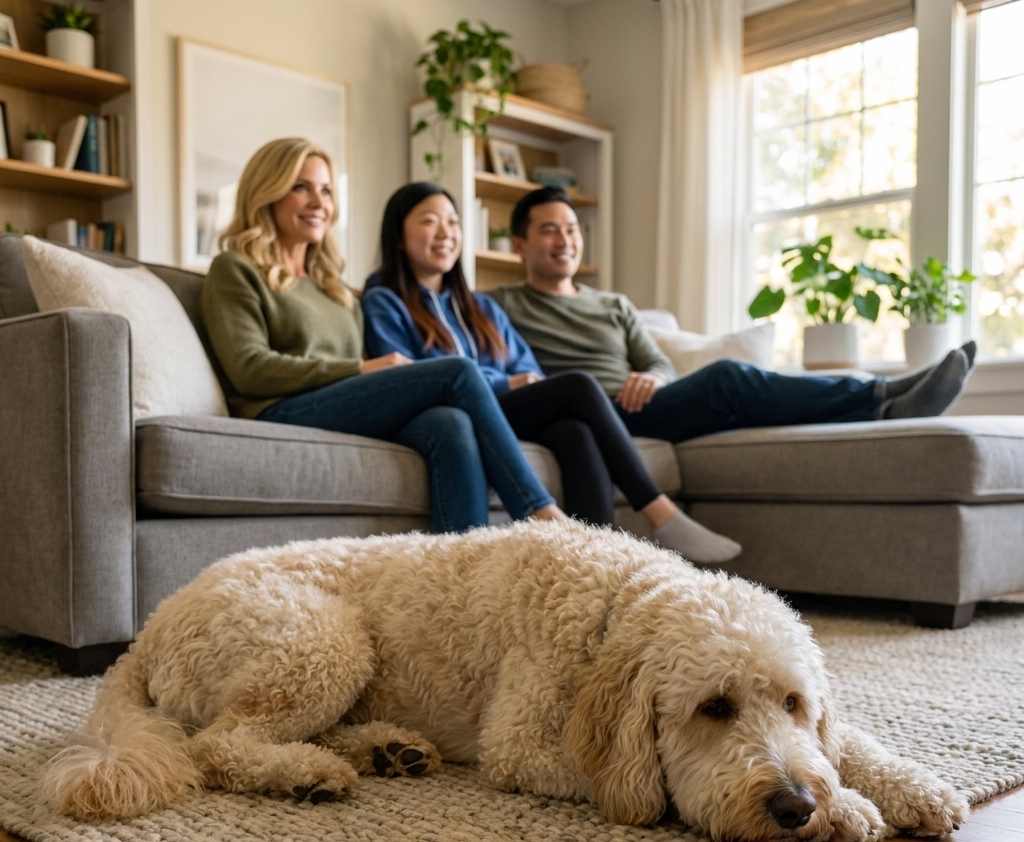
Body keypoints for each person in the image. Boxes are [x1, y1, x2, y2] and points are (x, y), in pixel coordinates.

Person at [200, 138, 569, 535]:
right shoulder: (235, 268)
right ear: (267, 192)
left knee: (451, 423)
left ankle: (467, 573)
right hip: (278, 409)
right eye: (300, 187)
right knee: (457, 372)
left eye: (325, 190)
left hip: (337, 405)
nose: (318, 201)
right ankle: (540, 514)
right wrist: (360, 368)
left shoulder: (331, 285)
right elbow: (248, 369)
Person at [361, 181, 741, 563]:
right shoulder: (384, 302)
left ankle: (594, 569)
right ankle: (659, 512)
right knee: (577, 386)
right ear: (398, 236)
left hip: (502, 412)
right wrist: (503, 381)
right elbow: (410, 379)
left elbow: (526, 366)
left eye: (454, 222)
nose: (446, 233)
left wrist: (517, 380)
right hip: (456, 411)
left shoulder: (481, 308)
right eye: (430, 221)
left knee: (573, 432)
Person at [489, 186, 977, 446]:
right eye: (549, 231)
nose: (565, 240)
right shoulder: (503, 304)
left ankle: (888, 407)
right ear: (519, 245)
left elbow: (662, 365)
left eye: (571, 229)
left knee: (745, 404)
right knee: (726, 379)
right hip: (592, 413)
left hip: (646, 407)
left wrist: (652, 379)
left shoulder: (614, 304)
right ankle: (881, 391)